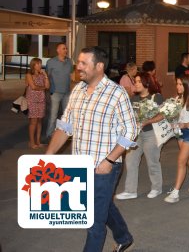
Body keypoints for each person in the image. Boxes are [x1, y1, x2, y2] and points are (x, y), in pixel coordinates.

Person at [46, 46, 138, 252]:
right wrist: (48, 156)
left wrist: (109, 160)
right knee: (102, 205)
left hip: (104, 167)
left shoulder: (116, 93)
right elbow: (65, 126)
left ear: (99, 66)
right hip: (79, 167)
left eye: (83, 63)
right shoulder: (77, 90)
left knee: (93, 222)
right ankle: (124, 238)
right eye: (78, 62)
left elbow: (131, 130)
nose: (78, 67)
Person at [116, 73, 164, 200]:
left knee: (152, 161)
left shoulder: (156, 97)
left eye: (138, 81)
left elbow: (163, 115)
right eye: (135, 81)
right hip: (137, 135)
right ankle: (130, 190)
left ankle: (156, 188)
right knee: (130, 161)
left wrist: (148, 121)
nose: (135, 84)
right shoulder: (133, 99)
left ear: (146, 83)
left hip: (151, 133)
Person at [45, 42, 73, 139]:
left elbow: (71, 75)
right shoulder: (51, 62)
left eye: (66, 48)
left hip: (67, 92)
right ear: (58, 50)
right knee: (53, 115)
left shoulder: (69, 62)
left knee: (66, 115)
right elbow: (46, 76)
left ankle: (65, 133)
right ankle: (49, 134)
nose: (66, 50)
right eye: (63, 48)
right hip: (55, 92)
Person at [25, 57, 49, 149]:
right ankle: (31, 142)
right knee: (33, 122)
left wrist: (46, 75)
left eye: (40, 63)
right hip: (32, 100)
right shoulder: (29, 74)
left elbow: (47, 86)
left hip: (41, 100)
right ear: (33, 65)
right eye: (38, 64)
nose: (40, 65)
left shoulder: (42, 75)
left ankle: (38, 141)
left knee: (39, 121)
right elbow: (33, 87)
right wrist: (42, 87)